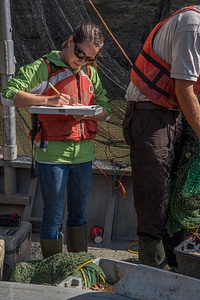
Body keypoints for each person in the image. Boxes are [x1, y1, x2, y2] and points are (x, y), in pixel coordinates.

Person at [2, 22, 111, 258]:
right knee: (53, 215)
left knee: (79, 215)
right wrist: (46, 101)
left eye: (89, 58)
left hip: (84, 157)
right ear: (71, 41)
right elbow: (8, 94)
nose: (82, 61)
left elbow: (106, 109)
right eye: (80, 53)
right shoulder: (44, 67)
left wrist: (90, 112)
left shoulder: (90, 72)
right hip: (51, 157)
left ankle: (76, 263)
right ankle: (52, 267)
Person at [123, 5, 200, 269]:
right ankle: (153, 270)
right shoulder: (193, 25)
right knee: (153, 195)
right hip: (149, 115)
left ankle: (179, 265)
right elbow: (185, 90)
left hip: (172, 115)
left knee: (176, 192)